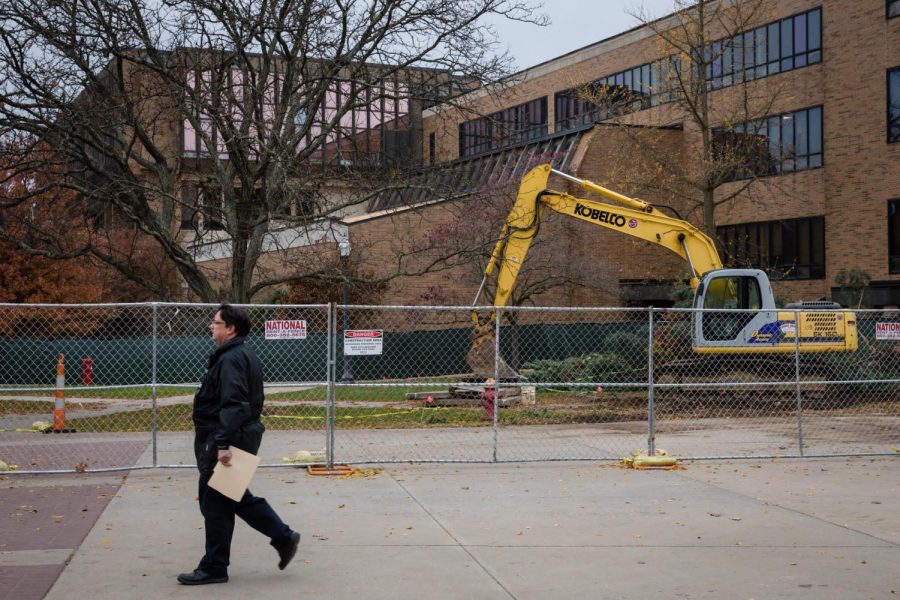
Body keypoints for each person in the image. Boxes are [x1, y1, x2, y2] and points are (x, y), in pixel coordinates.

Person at [178, 303, 300, 585]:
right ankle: (282, 537)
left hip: (227, 439)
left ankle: (215, 566)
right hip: (237, 435)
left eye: (216, 322)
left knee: (216, 503)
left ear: (230, 328)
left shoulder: (232, 359)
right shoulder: (239, 355)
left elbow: (234, 404)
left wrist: (222, 444)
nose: (211, 326)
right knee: (229, 498)